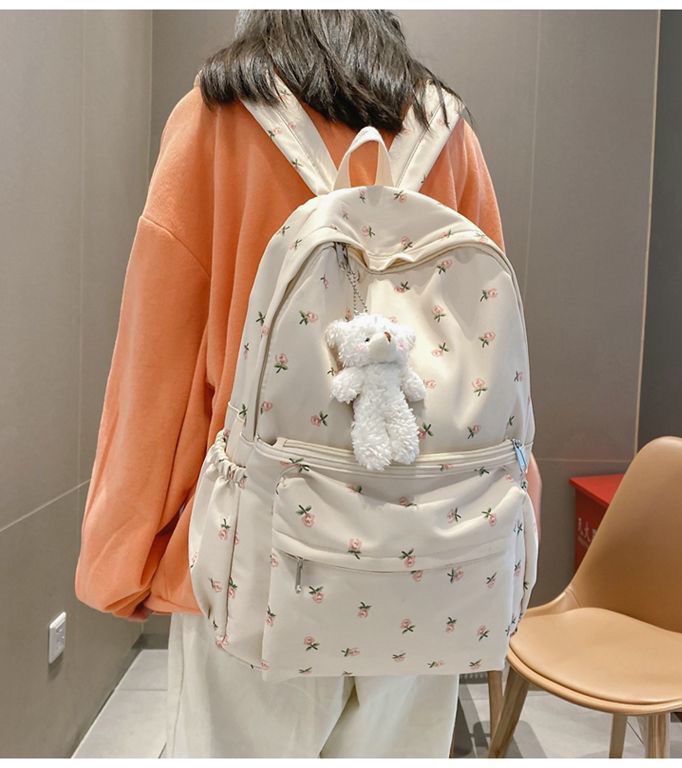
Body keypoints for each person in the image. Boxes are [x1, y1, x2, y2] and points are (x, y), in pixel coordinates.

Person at [75, 9, 542, 758]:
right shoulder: (448, 132)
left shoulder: (216, 118)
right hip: (431, 565)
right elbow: (494, 383)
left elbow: (156, 366)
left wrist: (124, 554)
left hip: (259, 564)